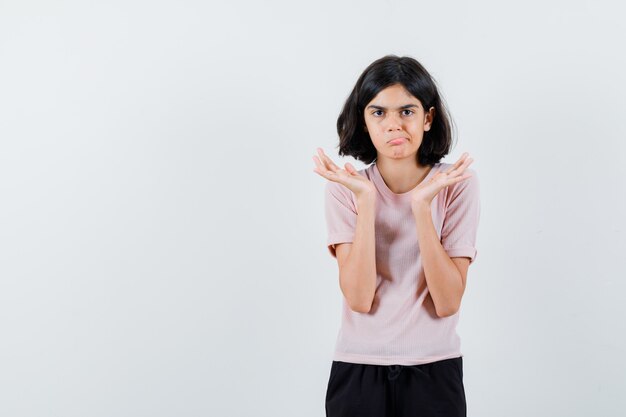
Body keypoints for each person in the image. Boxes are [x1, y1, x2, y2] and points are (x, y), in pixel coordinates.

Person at [312, 55, 480, 417]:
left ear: (428, 118)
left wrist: (422, 208)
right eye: (378, 113)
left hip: (435, 369)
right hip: (358, 368)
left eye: (407, 111)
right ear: (363, 120)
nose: (394, 125)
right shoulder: (347, 190)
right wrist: (367, 201)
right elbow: (359, 298)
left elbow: (448, 301)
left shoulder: (454, 185)